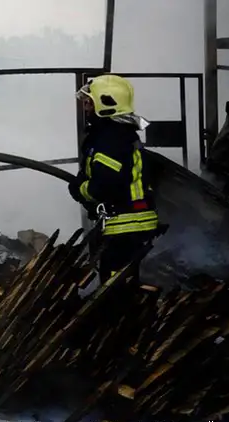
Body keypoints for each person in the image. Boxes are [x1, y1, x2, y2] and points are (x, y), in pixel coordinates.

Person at [68, 74, 159, 287]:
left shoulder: (111, 139)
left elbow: (103, 186)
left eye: (90, 102)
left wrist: (79, 189)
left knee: (116, 288)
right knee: (123, 284)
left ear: (106, 105)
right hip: (130, 224)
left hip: (126, 227)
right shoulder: (114, 135)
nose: (86, 107)